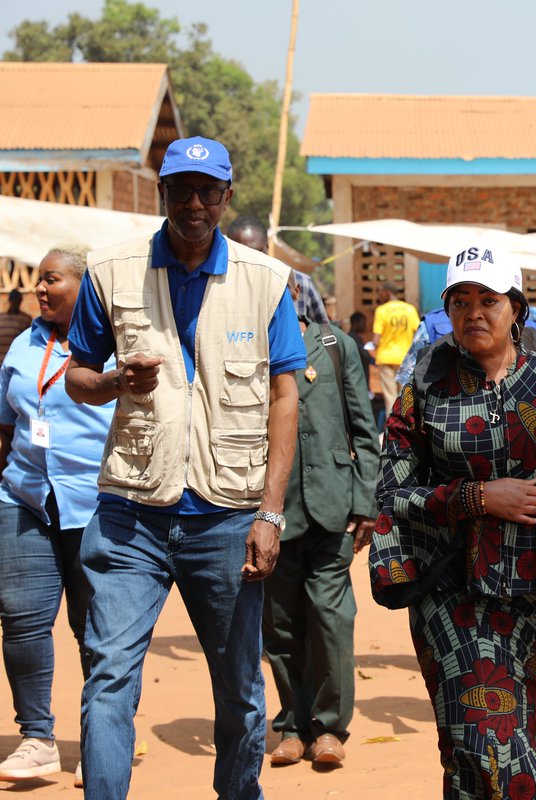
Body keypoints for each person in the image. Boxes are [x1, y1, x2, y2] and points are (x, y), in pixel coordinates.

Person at [65, 135, 306, 799]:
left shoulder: (264, 283)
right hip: (130, 515)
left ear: (227, 198)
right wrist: (115, 381)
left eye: (207, 192)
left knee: (239, 691)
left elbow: (286, 398)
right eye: (180, 190)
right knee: (108, 675)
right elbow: (76, 376)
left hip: (228, 519)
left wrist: (270, 511)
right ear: (163, 194)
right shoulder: (112, 271)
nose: (193, 204)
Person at [368, 244, 536, 798]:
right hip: (453, 590)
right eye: (460, 300)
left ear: (516, 308)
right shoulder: (425, 391)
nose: (473, 312)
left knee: (525, 738)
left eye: (488, 299)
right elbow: (393, 494)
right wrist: (475, 497)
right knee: (482, 735)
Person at [0, 248, 115, 787]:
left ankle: (103, 740)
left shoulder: (114, 344)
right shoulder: (24, 344)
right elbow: (7, 424)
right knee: (21, 620)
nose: (40, 288)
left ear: (84, 285)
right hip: (25, 499)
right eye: (39, 280)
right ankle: (37, 738)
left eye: (52, 279)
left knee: (96, 630)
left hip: (97, 503)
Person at [261, 274, 380, 768]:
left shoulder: (336, 345)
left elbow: (362, 425)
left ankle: (329, 728)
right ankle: (292, 724)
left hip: (333, 502)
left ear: (295, 295)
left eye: (282, 290)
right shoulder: (248, 347)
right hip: (272, 509)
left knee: (331, 619)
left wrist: (366, 500)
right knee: (282, 623)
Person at [226, 216, 329, 325]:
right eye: (243, 255)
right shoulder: (219, 285)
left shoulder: (298, 282)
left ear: (267, 247)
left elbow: (324, 332)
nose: (252, 262)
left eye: (257, 253)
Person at [372, 282, 420, 415]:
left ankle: (391, 431)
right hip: (405, 359)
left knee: (390, 398)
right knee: (405, 397)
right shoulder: (409, 309)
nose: (378, 295)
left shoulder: (381, 310)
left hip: (386, 358)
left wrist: (374, 346)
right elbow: (418, 333)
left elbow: (376, 340)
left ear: (387, 292)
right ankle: (406, 430)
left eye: (380, 292)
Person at [0, 289, 31, 364]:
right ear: (10, 300)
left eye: (17, 300)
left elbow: (27, 341)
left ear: (20, 301)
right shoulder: (1, 317)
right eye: (14, 300)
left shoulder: (26, 319)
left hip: (14, 361)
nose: (15, 303)